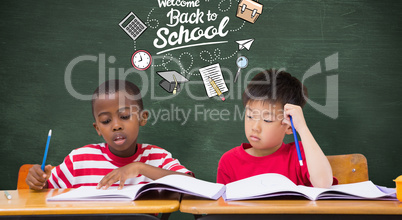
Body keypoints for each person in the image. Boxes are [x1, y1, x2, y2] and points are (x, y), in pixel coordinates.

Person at [26, 79, 193, 190]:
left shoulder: (157, 158)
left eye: (125, 117)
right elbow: (45, 190)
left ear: (143, 118)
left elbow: (191, 185)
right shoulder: (79, 160)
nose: (116, 126)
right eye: (106, 121)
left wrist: (139, 167)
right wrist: (38, 181)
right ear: (97, 128)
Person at [217, 69, 336, 188]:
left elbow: (323, 183)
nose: (255, 127)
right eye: (250, 116)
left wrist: (302, 128)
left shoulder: (299, 154)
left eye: (267, 120)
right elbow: (222, 204)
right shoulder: (229, 161)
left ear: (289, 127)